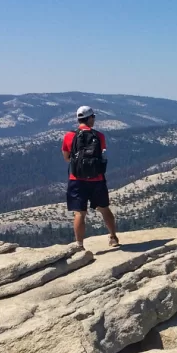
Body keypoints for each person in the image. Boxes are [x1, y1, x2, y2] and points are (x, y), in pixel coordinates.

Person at [62, 106, 119, 248]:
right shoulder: (99, 136)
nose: (94, 119)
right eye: (93, 116)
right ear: (90, 118)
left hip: (76, 180)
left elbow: (67, 158)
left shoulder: (69, 136)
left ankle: (80, 245)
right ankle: (113, 237)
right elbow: (102, 156)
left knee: (80, 213)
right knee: (104, 209)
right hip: (97, 180)